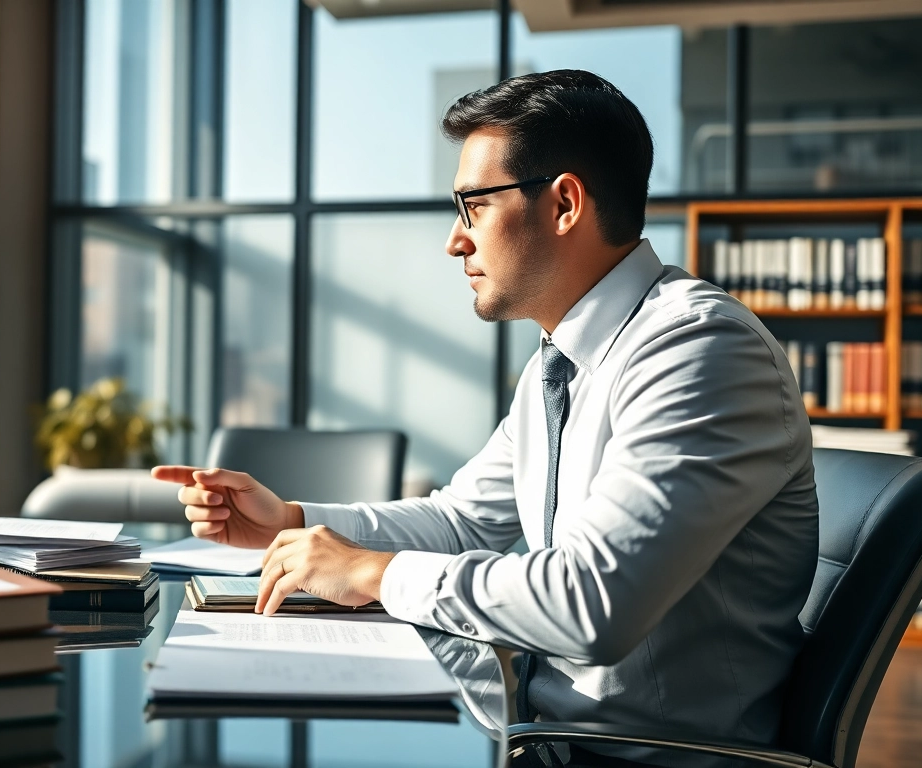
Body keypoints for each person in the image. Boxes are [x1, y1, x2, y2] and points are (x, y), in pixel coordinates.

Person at [153, 70, 817, 768]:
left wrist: (376, 574)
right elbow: (463, 522)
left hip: (625, 757)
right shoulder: (558, 362)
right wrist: (293, 523)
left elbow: (592, 604)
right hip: (539, 731)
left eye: (472, 204)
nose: (454, 240)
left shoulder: (699, 350)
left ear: (564, 203)